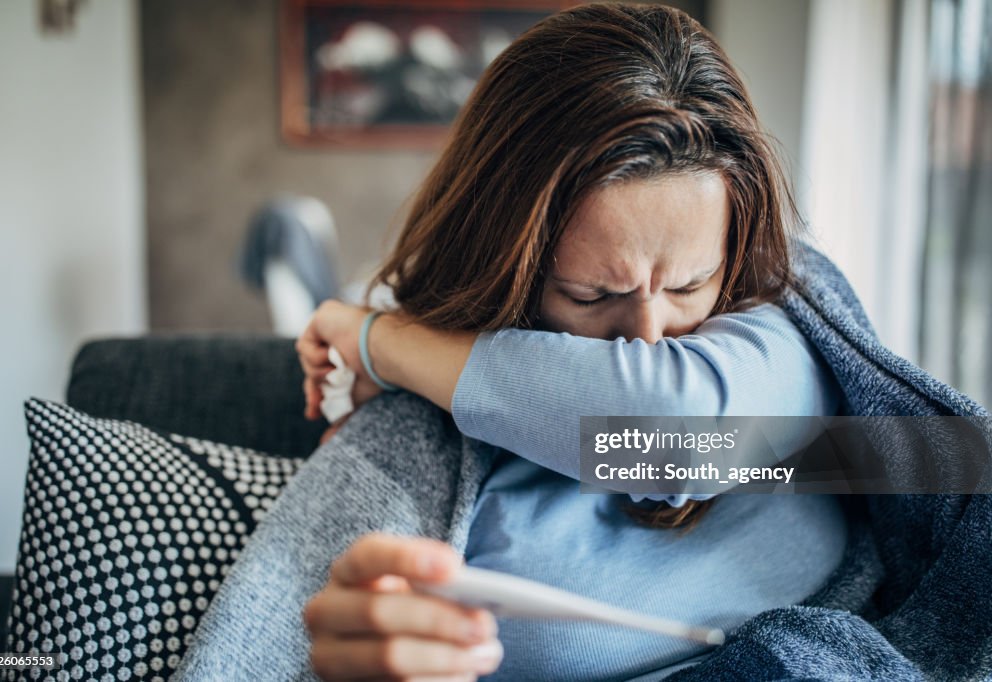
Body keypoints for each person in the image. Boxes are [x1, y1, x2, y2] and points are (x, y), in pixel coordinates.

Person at [295, 4, 849, 680]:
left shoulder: (784, 328)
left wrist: (381, 341)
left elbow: (674, 435)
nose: (648, 339)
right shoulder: (421, 427)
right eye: (591, 295)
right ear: (505, 265)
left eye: (688, 285)